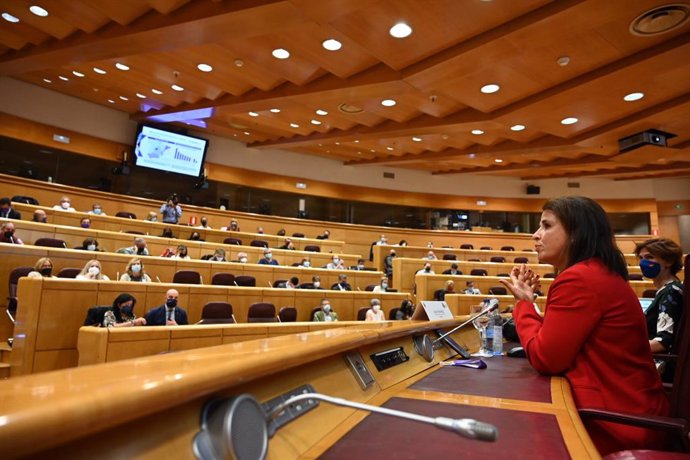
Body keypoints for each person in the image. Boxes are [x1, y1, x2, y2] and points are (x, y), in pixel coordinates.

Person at [499, 196, 669, 455]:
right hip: (633, 411)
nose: (535, 235)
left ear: (576, 234)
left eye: (546, 225)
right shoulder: (598, 272)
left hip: (615, 423)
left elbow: (546, 358)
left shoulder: (579, 279)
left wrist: (523, 304)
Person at [634, 237, 683, 381]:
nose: (643, 262)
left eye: (649, 257)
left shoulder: (671, 292)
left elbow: (663, 341)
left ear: (668, 261)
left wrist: (626, 349)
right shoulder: (667, 290)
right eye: (641, 258)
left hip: (659, 367)